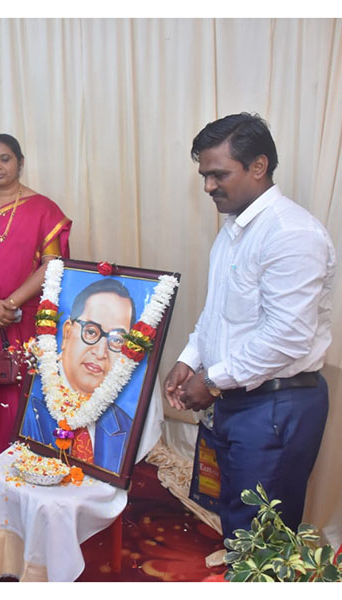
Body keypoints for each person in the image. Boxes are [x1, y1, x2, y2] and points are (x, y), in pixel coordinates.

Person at [163, 113, 335, 539]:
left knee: (262, 536)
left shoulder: (291, 234)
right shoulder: (234, 230)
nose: (208, 187)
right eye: (204, 176)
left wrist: (212, 381)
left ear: (258, 166)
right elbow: (218, 313)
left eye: (218, 175)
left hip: (276, 405)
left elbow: (285, 338)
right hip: (239, 397)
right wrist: (190, 359)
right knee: (239, 520)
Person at [0, 133, 71, 475]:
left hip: (26, 314)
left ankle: (30, 462)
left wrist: (9, 304)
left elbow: (52, 265)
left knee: (27, 384)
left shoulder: (44, 209)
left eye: (5, 159)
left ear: (20, 162)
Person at [20, 279, 136, 473]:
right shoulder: (28, 405)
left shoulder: (125, 425)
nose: (100, 352)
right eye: (91, 332)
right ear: (66, 333)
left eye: (116, 340)